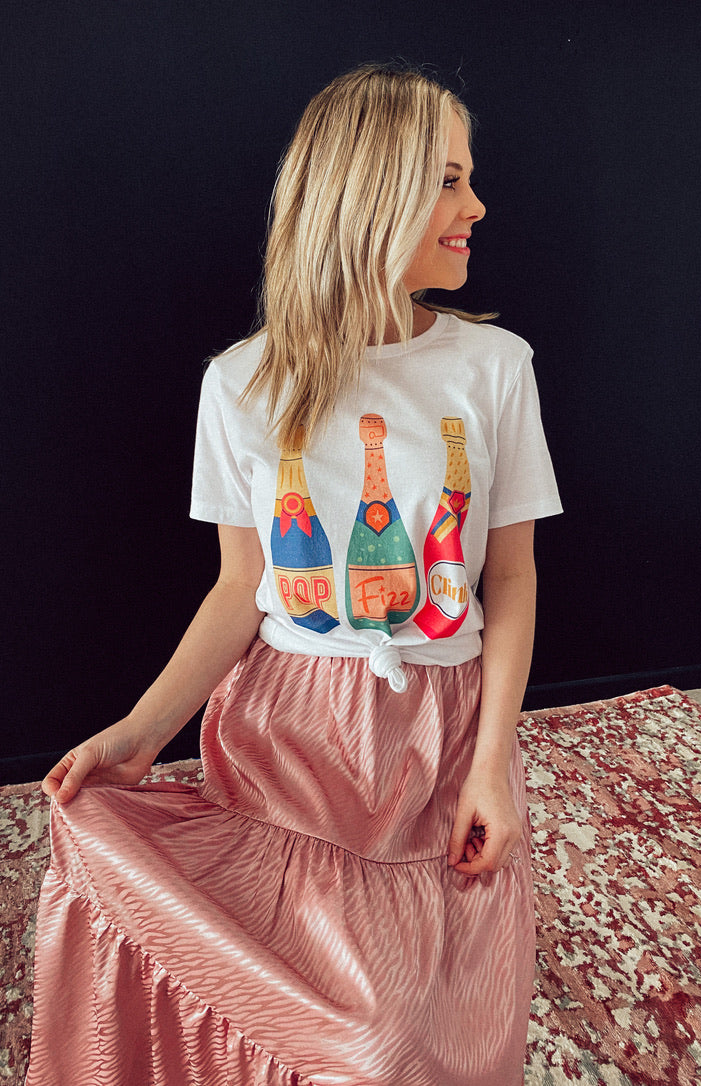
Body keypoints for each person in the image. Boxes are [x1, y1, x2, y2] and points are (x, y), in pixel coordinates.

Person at [26, 64, 562, 1086]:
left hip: (439, 731)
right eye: (450, 181)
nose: (478, 207)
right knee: (333, 1028)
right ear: (371, 196)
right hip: (292, 737)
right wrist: (140, 732)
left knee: (422, 1015)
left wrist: (491, 763)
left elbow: (512, 579)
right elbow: (241, 588)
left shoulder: (495, 370)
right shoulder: (242, 384)